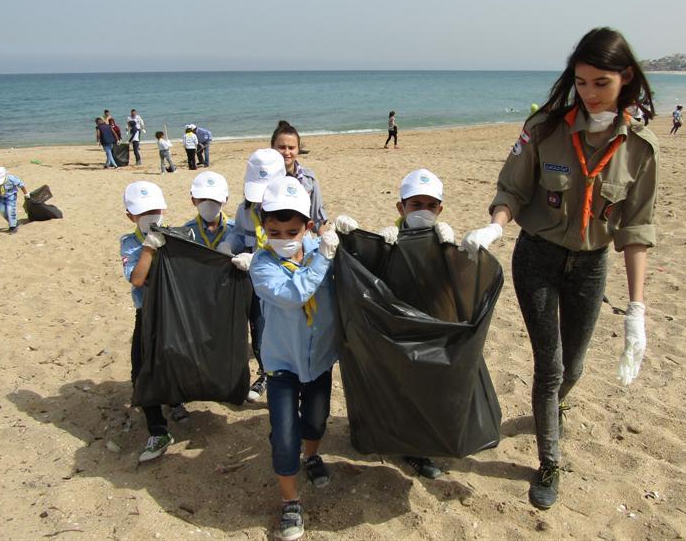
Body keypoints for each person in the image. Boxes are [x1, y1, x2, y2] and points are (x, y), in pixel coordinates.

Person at [461, 27, 657, 510]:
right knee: (548, 366)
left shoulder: (640, 149)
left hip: (592, 266)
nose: (589, 94)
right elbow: (512, 189)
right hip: (538, 258)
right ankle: (549, 462)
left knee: (575, 365)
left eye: (601, 83)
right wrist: (497, 226)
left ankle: (554, 404)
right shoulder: (544, 128)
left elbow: (636, 231)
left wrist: (636, 309)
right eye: (581, 82)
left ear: (625, 78)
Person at [334, 168, 456, 480]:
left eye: (431, 205)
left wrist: (452, 250)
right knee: (396, 385)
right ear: (401, 208)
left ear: (440, 209)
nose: (424, 211)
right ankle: (400, 442)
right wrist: (357, 238)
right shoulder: (392, 237)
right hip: (398, 328)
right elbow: (367, 273)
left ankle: (419, 447)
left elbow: (454, 284)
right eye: (416, 205)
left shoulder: (442, 239)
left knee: (425, 386)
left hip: (430, 324)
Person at [246, 176, 340, 541]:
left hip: (319, 360)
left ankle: (312, 456)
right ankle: (290, 502)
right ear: (264, 228)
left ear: (308, 226)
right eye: (275, 231)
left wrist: (349, 237)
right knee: (284, 435)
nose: (284, 238)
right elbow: (294, 295)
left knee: (315, 423)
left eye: (292, 230)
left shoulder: (322, 248)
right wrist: (324, 259)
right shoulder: (262, 264)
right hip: (281, 364)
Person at [120, 181, 188, 462]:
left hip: (172, 313)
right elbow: (137, 279)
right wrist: (148, 248)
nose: (150, 216)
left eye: (154, 210)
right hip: (146, 315)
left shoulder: (176, 236)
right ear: (130, 216)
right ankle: (158, 429)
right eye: (142, 212)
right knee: (142, 371)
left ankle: (176, 400)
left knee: (175, 359)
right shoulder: (129, 242)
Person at [230, 148, 288, 402]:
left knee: (285, 332)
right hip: (254, 284)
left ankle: (287, 379)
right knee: (260, 328)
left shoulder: (291, 210)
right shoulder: (245, 211)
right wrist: (229, 245)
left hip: (282, 282)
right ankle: (266, 373)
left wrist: (258, 260)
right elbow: (240, 235)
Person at [271, 120, 328, 229]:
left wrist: (325, 240)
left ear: (298, 150)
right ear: (272, 148)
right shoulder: (262, 179)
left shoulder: (309, 179)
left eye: (291, 148)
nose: (287, 152)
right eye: (282, 147)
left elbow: (317, 218)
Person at [182, 171, 236, 254]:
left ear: (225, 200)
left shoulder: (236, 231)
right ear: (193, 200)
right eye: (202, 199)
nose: (208, 204)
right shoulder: (186, 233)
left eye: (214, 199)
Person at [0, 166, 29, 234]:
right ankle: (13, 222)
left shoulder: (11, 178)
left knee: (10, 210)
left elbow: (21, 184)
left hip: (11, 195)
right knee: (2, 210)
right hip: (0, 196)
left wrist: (26, 193)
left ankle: (13, 227)